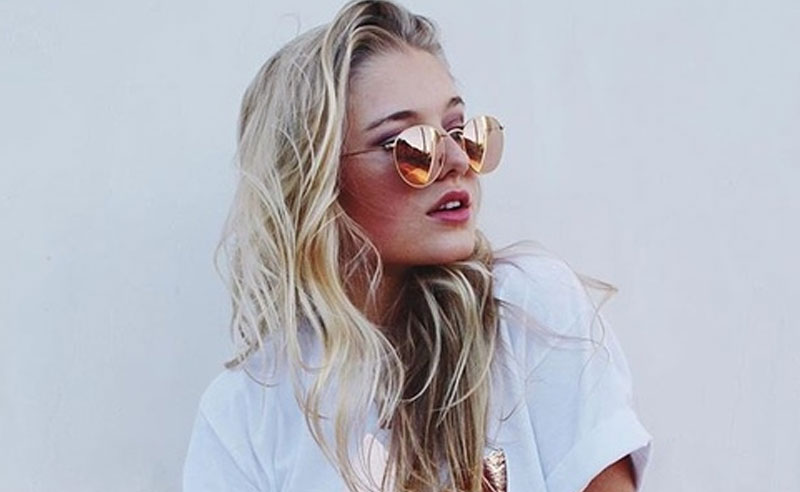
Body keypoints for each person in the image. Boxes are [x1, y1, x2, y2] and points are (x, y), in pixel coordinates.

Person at [183, 1, 652, 491]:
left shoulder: (525, 311)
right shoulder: (246, 412)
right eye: (410, 146)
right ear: (316, 180)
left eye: (461, 132)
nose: (457, 161)